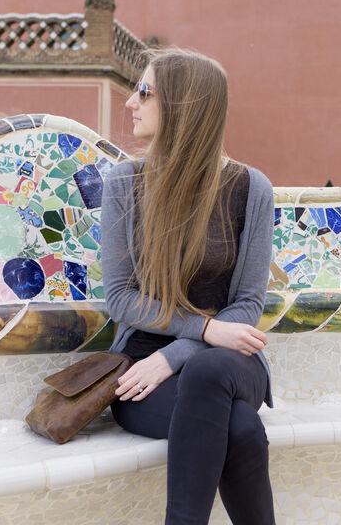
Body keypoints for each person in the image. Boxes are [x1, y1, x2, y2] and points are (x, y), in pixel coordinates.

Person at [100, 48, 276, 525]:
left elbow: (248, 304)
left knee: (205, 374)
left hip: (228, 364)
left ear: (182, 105)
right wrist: (202, 330)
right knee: (239, 427)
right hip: (141, 376)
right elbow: (117, 295)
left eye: (144, 92)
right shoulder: (126, 183)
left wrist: (177, 352)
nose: (130, 103)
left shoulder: (250, 188)